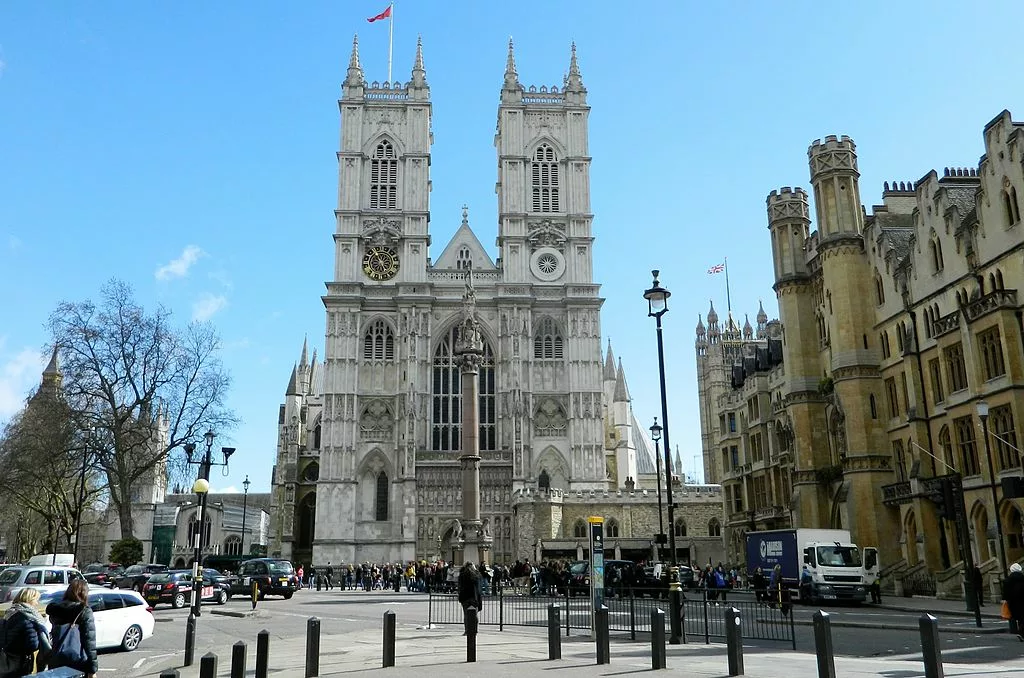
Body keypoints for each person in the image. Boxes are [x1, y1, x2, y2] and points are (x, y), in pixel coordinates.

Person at [45, 579, 98, 677]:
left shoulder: (56, 610)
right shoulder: (84, 611)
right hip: (77, 660)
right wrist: (93, 669)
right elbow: (89, 641)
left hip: (57, 658)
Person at [2, 588, 51, 676]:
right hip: (20, 660)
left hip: (6, 657)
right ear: (30, 600)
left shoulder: (9, 613)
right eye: (36, 600)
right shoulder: (28, 618)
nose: (37, 603)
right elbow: (33, 645)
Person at [457, 562, 483, 636]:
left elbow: (460, 586)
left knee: (466, 615)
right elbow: (479, 587)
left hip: (465, 597)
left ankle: (467, 630)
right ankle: (475, 630)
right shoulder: (476, 575)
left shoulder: (462, 575)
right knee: (474, 614)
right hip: (474, 597)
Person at [1001, 562, 1024, 641]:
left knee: (1018, 617)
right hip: (1022, 601)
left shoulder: (1007, 580)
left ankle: (1020, 632)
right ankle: (1021, 632)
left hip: (1012, 602)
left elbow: (1005, 594)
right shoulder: (1022, 578)